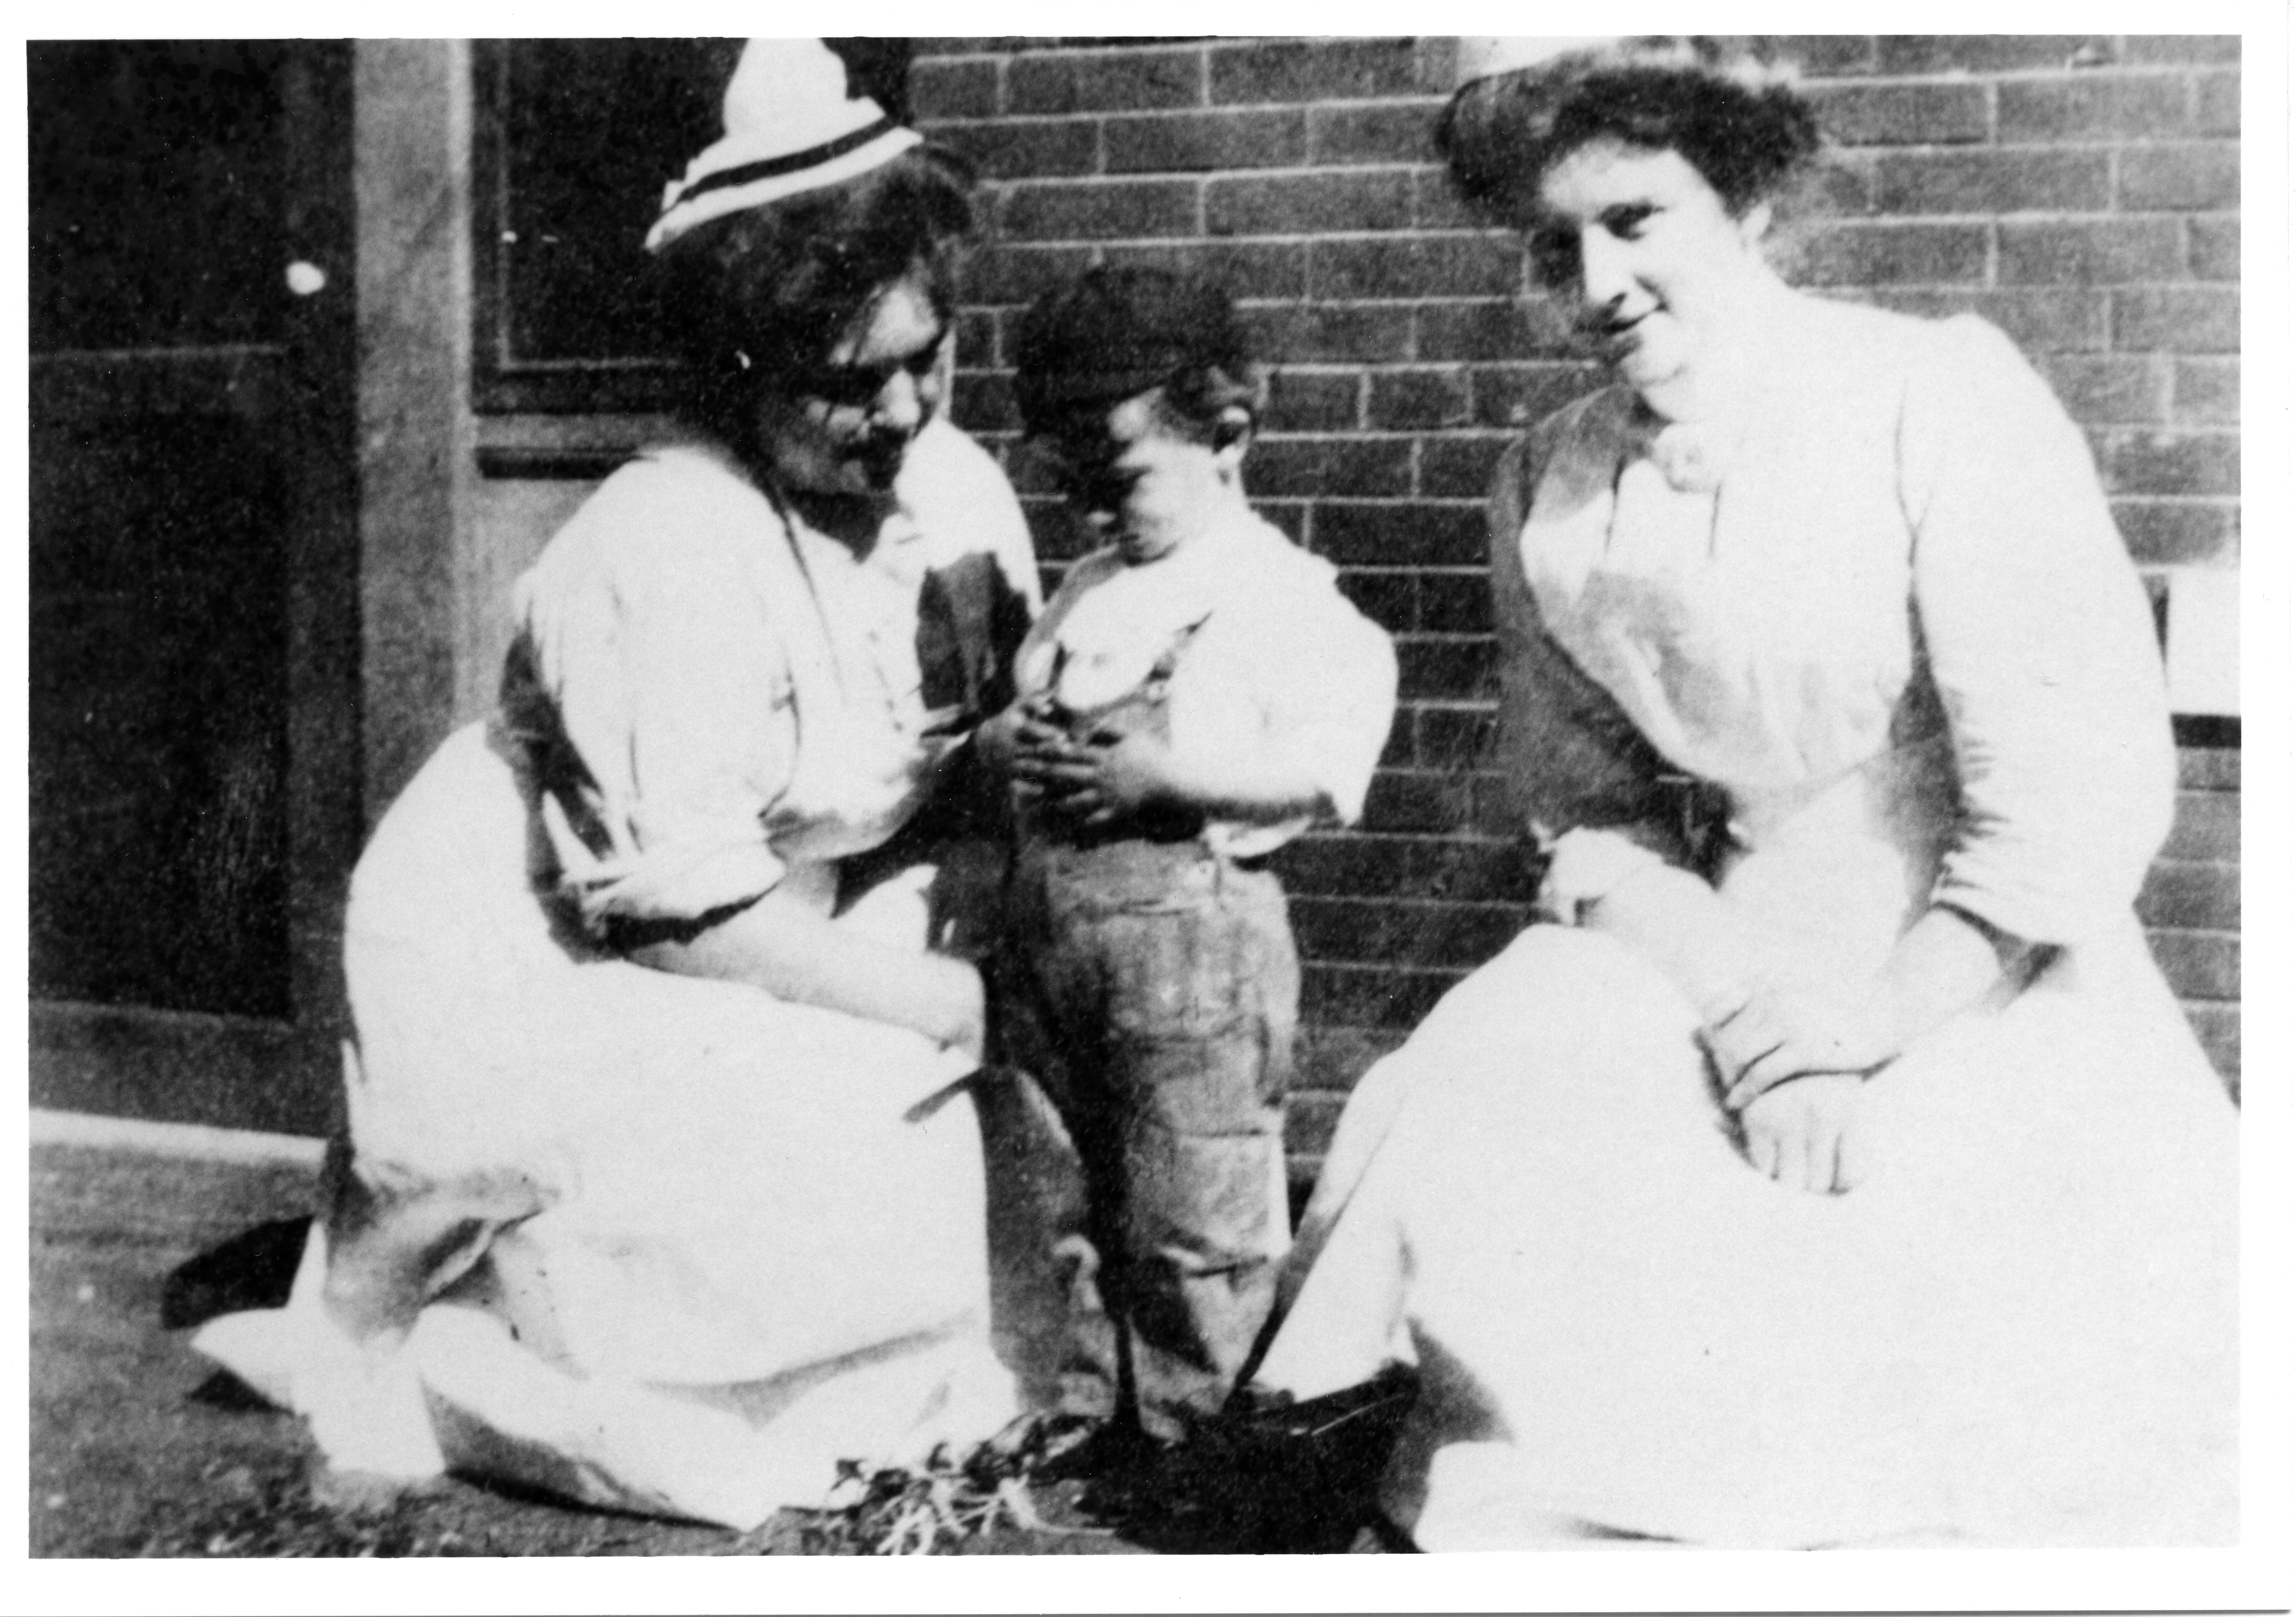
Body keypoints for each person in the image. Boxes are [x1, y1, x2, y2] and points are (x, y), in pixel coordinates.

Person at [1230, 36, 2238, 1550]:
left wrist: (1856, 1031)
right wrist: (1740, 1010)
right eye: (1551, 244)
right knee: (1520, 1081)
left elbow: (2061, 790)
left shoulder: (1926, 391)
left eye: (1635, 219)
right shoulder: (1549, 481)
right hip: (1715, 942)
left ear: (1747, 201)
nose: (1596, 286)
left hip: (1974, 953)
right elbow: (1590, 812)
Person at [188, 40, 1041, 1529]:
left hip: (798, 897)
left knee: (899, 1140)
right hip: (556, 928)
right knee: (752, 1148)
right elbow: (677, 910)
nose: (905, 414)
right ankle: (473, 1370)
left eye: (931, 356)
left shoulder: (949, 488)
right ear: (740, 366)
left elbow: (965, 750)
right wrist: (926, 994)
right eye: (851, 384)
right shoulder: (665, 554)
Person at [978, 268, 1397, 1452]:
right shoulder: (1087, 588)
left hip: (1193, 954)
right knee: (1062, 1183)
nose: (1094, 511)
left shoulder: (1273, 593)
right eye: (1073, 484)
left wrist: (1170, 780)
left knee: (1191, 1192)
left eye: (1116, 478)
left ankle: (1186, 1427)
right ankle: (1076, 1410)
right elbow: (1035, 708)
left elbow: (1324, 767)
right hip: (1055, 946)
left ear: (1226, 437)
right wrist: (1014, 741)